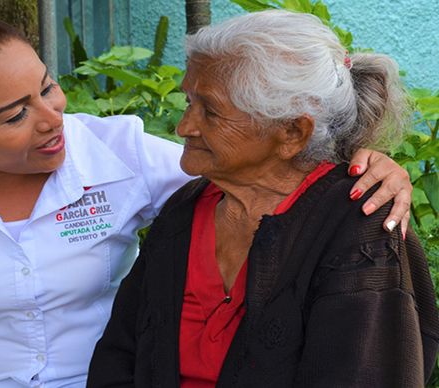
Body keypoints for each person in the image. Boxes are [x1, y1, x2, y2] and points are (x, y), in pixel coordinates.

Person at [0, 13, 413, 388]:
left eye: (47, 87)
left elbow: (273, 164)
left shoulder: (118, 156)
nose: (53, 121)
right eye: (15, 114)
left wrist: (372, 164)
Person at [87, 10, 439, 388]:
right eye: (189, 101)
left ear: (291, 132)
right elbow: (118, 358)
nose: (184, 126)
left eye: (211, 111)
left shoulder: (359, 225)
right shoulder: (185, 210)